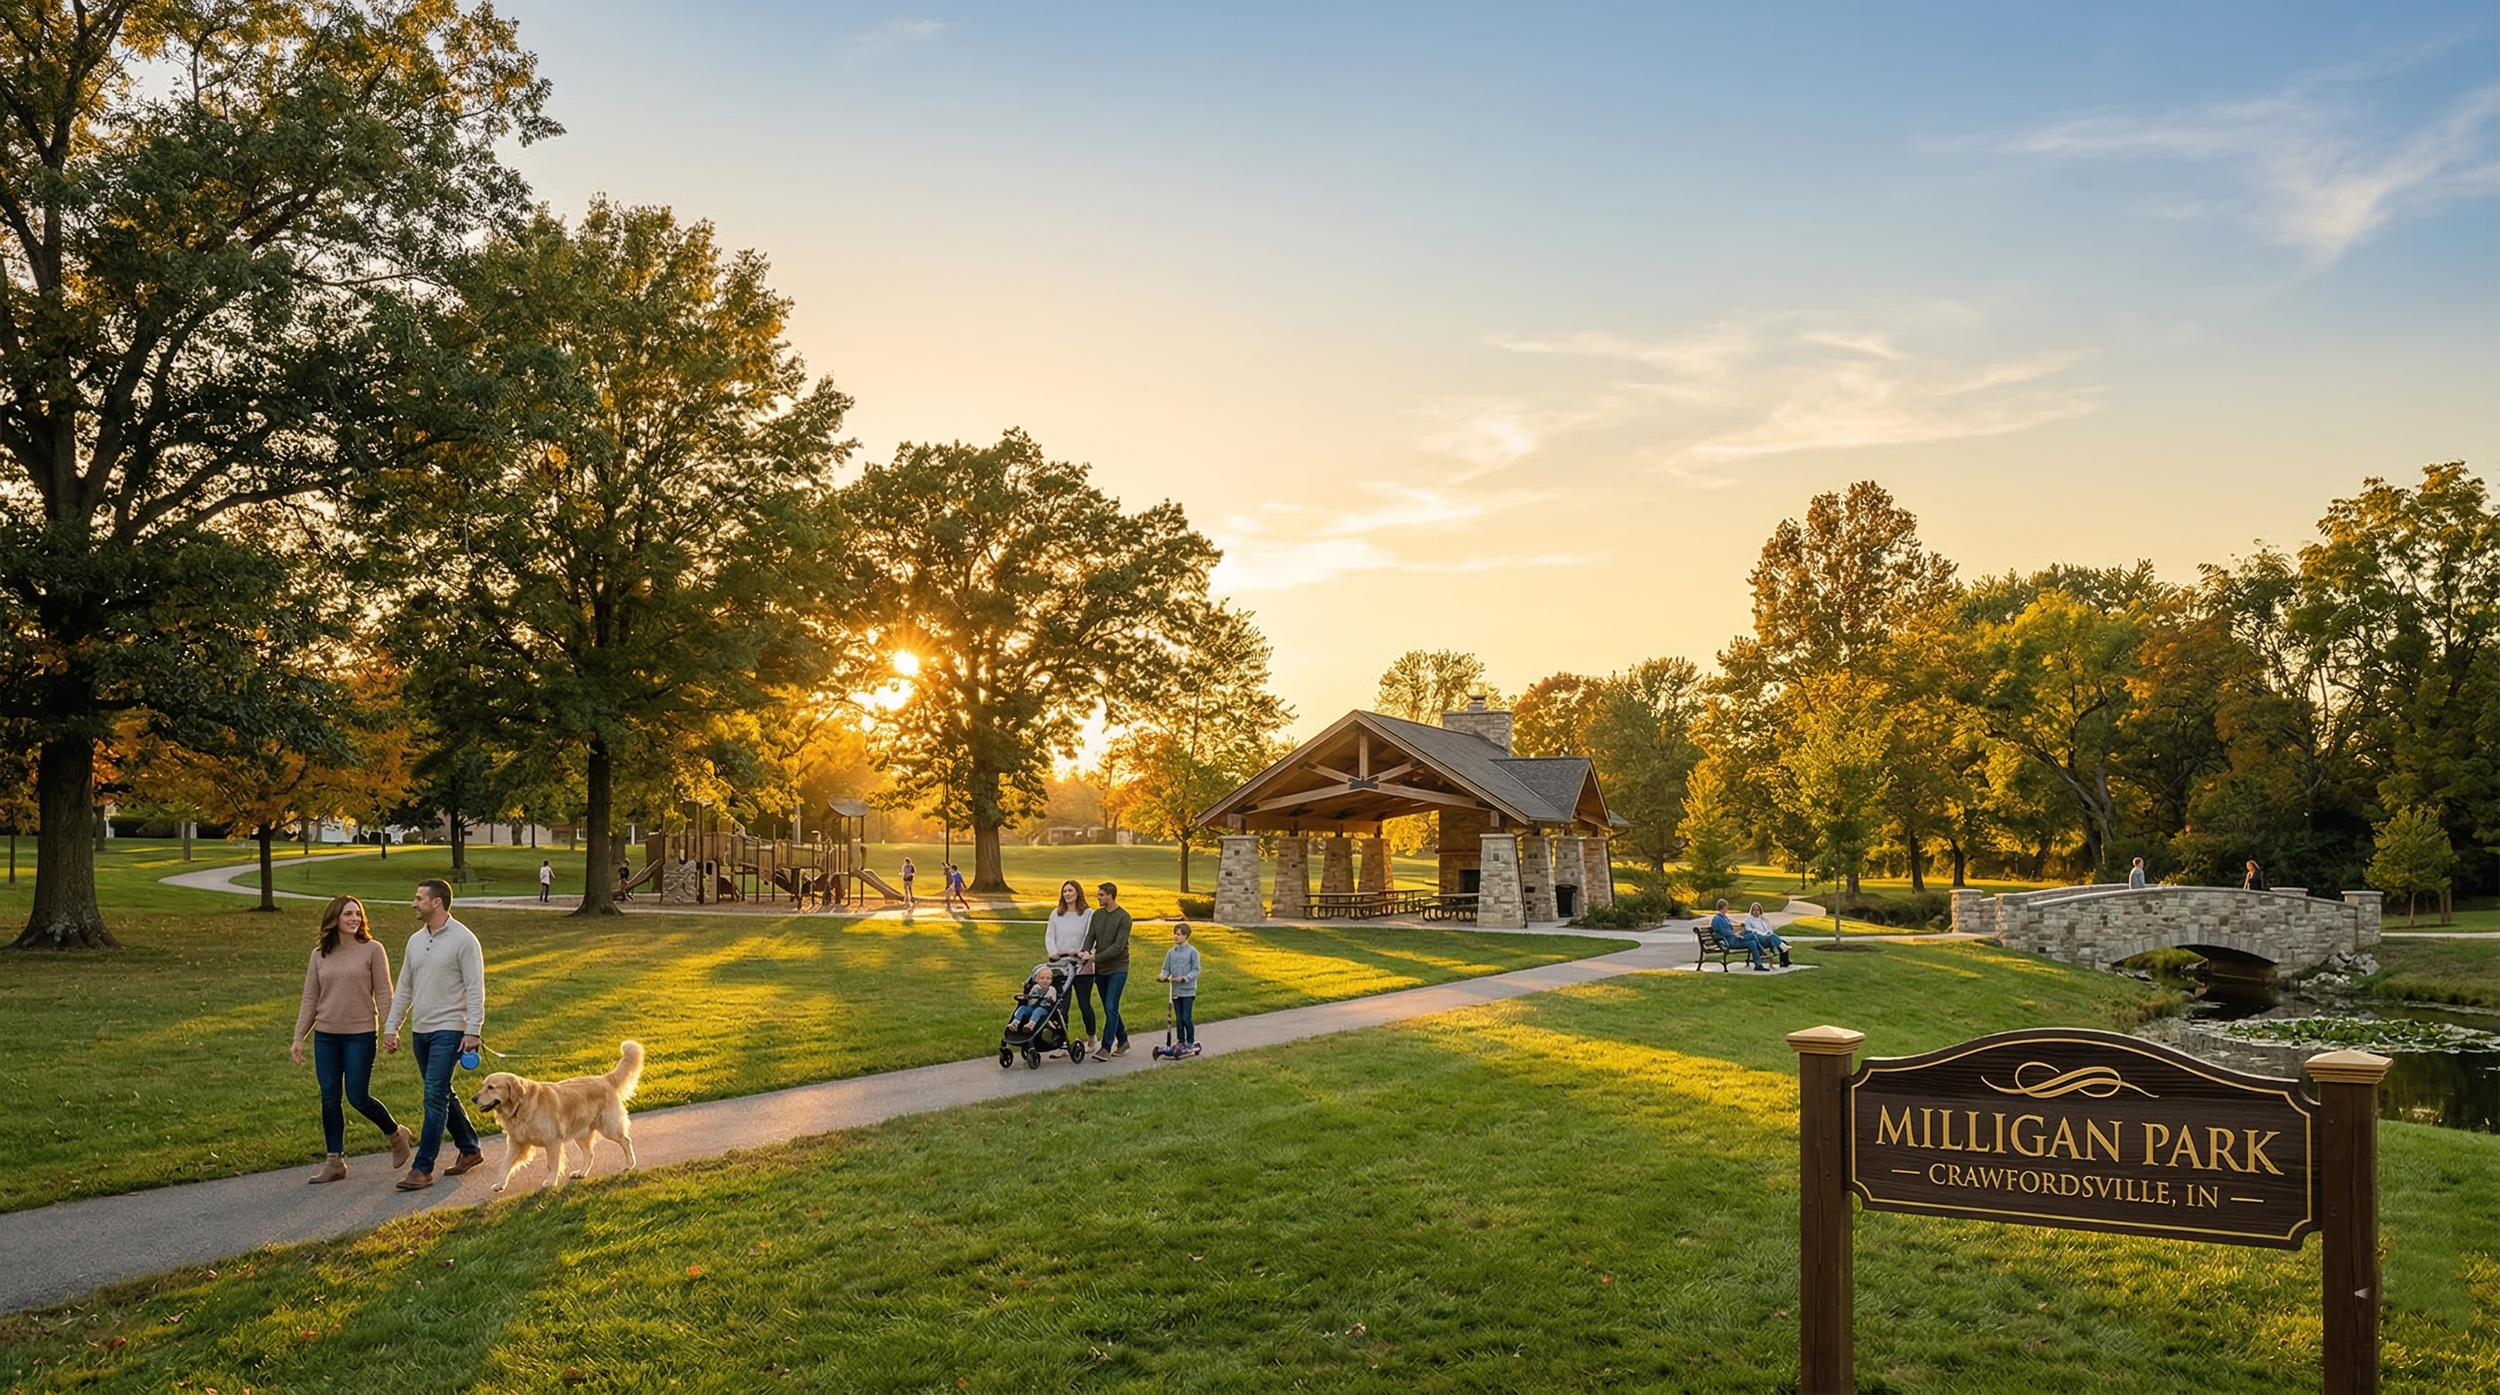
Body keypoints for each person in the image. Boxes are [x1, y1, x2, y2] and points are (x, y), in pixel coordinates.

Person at [290, 895, 412, 1183]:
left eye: (358, 914)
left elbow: (384, 993)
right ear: (334, 918)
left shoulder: (372, 950)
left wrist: (390, 1029)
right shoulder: (319, 955)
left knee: (357, 1096)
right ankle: (335, 1161)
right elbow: (310, 998)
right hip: (327, 1037)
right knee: (329, 1098)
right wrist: (299, 1037)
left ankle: (396, 1135)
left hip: (360, 1035)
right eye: (348, 914)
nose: (355, 919)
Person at [382, 879, 488, 1190]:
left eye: (419, 898)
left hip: (451, 1029)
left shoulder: (464, 940)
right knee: (441, 1092)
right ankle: (469, 1148)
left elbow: (475, 988)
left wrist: (473, 1030)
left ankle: (423, 1167)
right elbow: (405, 988)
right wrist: (392, 1026)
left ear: (437, 902)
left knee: (433, 1096)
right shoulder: (415, 941)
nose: (413, 903)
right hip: (421, 1029)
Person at [1079, 882, 1134, 1057]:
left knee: (1111, 1006)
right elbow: (1090, 936)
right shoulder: (1097, 915)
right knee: (1110, 1007)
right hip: (1101, 969)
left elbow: (1118, 947)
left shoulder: (1124, 917)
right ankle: (1123, 1040)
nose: (1098, 897)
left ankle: (1106, 1047)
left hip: (1118, 968)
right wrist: (1086, 951)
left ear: (1110, 896)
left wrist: (1094, 957)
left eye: (1101, 895)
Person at [1044, 880, 1099, 1051]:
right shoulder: (1056, 914)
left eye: (1070, 891)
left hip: (1082, 965)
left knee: (1084, 1004)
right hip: (1061, 965)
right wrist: (1053, 952)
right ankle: (1062, 1043)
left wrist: (1083, 952)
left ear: (1078, 893)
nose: (1067, 894)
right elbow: (1049, 936)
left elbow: (1091, 936)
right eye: (1064, 891)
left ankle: (1092, 1039)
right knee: (1062, 1005)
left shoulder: (1088, 914)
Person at [1158, 923, 1202, 1051]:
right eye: (1175, 934)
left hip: (1188, 991)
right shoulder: (1171, 953)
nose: (1175, 937)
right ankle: (1180, 1041)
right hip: (1175, 990)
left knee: (1186, 1017)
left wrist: (1185, 978)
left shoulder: (1192, 952)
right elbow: (1166, 968)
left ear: (1186, 936)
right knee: (1178, 1018)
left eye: (1178, 934)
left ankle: (1190, 1041)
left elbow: (1196, 970)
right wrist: (1162, 976)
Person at [1708, 897, 1772, 972]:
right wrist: (1734, 934)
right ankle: (1761, 950)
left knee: (1752, 943)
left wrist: (1737, 933)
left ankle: (1758, 965)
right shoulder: (1717, 919)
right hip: (1730, 942)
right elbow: (1722, 931)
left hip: (1734, 938)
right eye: (1727, 907)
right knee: (1751, 934)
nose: (1727, 909)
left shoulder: (1724, 917)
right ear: (1724, 907)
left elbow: (1729, 928)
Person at [1007, 963, 1061, 1032]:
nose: (1045, 981)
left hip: (1044, 1008)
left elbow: (1052, 998)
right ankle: (1015, 1023)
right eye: (1042, 978)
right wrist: (1026, 997)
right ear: (1036, 979)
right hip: (1032, 1007)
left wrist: (1047, 997)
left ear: (1051, 980)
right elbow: (1030, 996)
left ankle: (1031, 1025)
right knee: (1022, 1009)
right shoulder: (1035, 987)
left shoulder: (1051, 989)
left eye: (1048, 978)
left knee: (1037, 1011)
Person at [1741, 902, 1791, 969]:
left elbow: (1768, 928)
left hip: (1765, 936)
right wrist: (1755, 931)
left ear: (1760, 911)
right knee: (1774, 938)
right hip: (1758, 937)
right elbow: (1748, 928)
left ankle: (1785, 962)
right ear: (1752, 911)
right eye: (1754, 910)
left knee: (1782, 941)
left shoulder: (1762, 919)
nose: (1756, 912)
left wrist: (1768, 932)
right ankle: (1783, 947)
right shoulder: (1749, 919)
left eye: (1757, 910)